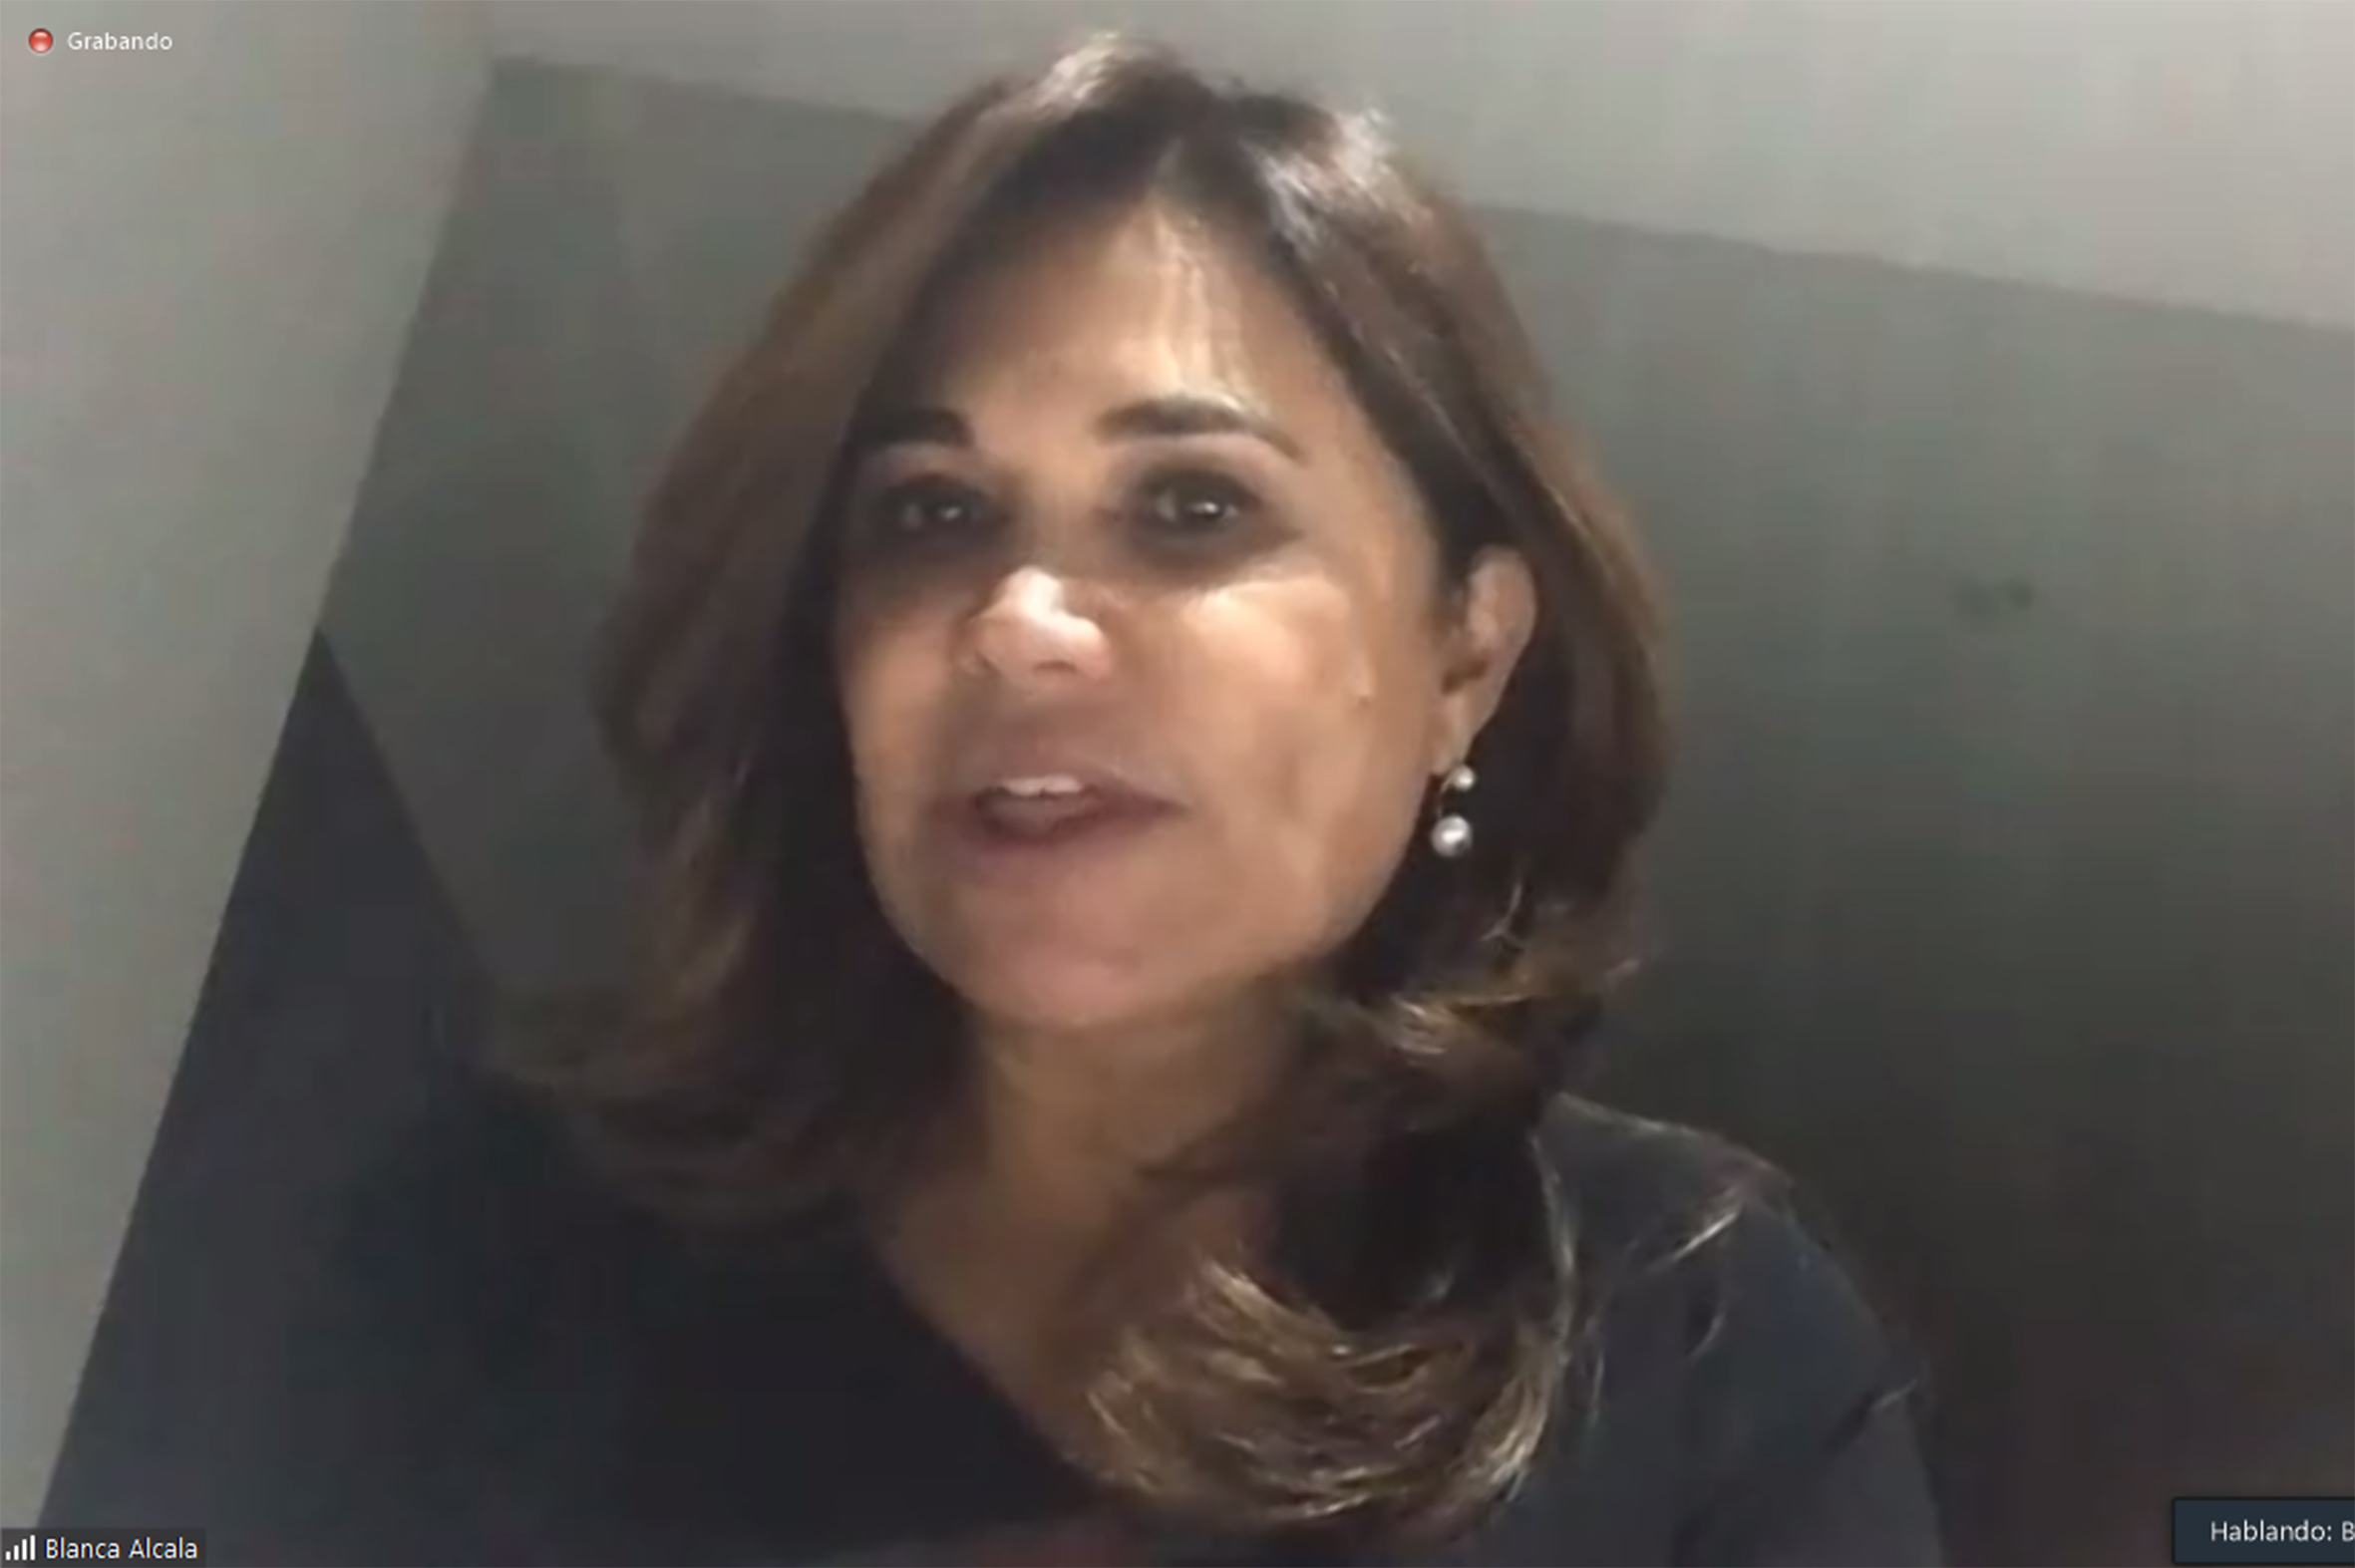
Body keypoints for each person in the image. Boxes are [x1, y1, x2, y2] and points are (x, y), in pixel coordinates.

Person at [220, 35, 1942, 1568]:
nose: (1018, 620)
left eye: (1191, 506)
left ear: (1463, 658)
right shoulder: (494, 1259)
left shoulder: (1687, 1326)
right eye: (930, 511)